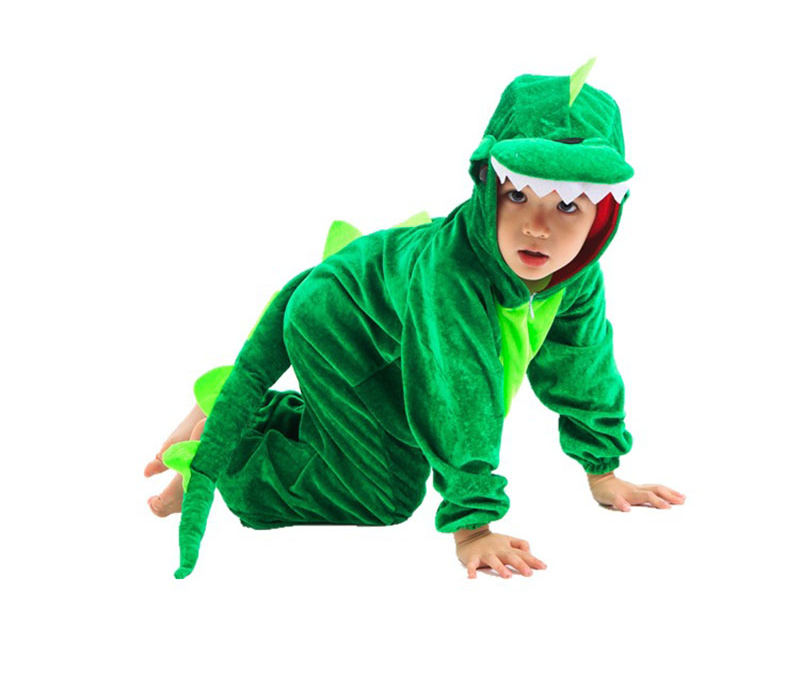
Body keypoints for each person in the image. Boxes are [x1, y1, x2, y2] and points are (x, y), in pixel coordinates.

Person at [144, 60, 686, 580]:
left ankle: (243, 412)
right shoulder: (454, 276)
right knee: (383, 493)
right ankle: (227, 452)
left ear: (603, 214)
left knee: (393, 440)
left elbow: (582, 367)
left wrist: (603, 471)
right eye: (518, 195)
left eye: (567, 205)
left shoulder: (576, 276)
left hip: (392, 334)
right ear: (488, 188)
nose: (537, 227)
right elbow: (457, 395)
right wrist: (473, 528)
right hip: (343, 326)